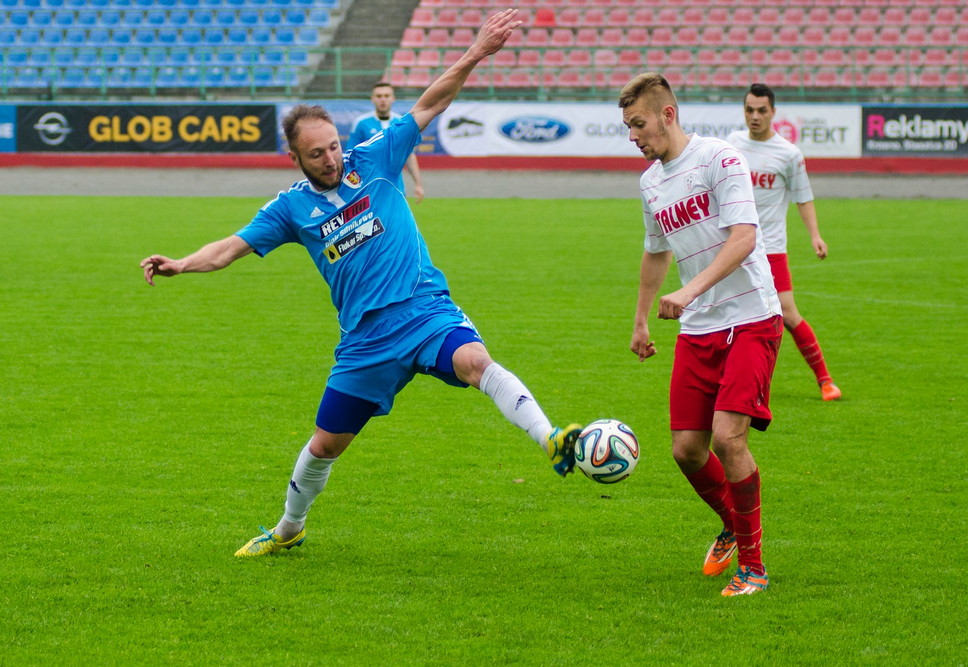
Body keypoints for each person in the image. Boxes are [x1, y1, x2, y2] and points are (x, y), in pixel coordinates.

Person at [140, 10, 582, 559]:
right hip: (366, 342)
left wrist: (476, 52)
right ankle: (286, 529)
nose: (330, 158)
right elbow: (229, 248)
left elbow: (430, 102)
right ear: (295, 156)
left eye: (332, 146)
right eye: (316, 153)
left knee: (476, 363)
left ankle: (553, 439)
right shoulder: (288, 209)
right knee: (324, 446)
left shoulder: (373, 157)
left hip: (424, 312)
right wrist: (182, 263)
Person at [620, 73, 783, 597]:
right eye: (627, 127)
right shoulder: (650, 181)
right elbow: (655, 251)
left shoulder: (720, 158)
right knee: (687, 450)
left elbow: (744, 237)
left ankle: (753, 570)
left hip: (751, 315)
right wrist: (642, 319)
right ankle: (736, 527)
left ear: (668, 114)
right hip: (700, 327)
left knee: (727, 437)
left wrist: (688, 292)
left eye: (639, 124)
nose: (633, 136)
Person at [727, 83, 841, 401]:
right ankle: (738, 382)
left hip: (770, 248)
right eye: (749, 110)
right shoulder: (732, 145)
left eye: (762, 110)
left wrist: (815, 235)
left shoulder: (788, 154)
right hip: (734, 245)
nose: (755, 116)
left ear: (773, 113)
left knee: (788, 314)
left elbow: (803, 198)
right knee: (729, 314)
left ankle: (825, 380)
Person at [347, 81, 425, 203]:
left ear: (393, 98)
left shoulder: (401, 122)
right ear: (372, 99)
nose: (383, 100)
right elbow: (351, 156)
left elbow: (409, 155)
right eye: (378, 96)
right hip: (369, 187)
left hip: (396, 187)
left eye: (386, 96)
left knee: (398, 221)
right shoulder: (361, 123)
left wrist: (418, 184)